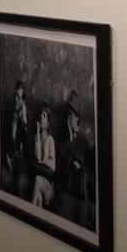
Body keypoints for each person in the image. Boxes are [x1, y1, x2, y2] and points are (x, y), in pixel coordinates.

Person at [57, 91, 91, 226]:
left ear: (77, 118)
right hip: (68, 193)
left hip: (82, 196)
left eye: (70, 115)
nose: (67, 119)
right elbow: (61, 166)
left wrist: (81, 167)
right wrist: (69, 141)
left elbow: (89, 168)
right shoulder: (64, 140)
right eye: (67, 115)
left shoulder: (83, 141)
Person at [2, 80, 31, 199]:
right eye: (15, 96)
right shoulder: (7, 115)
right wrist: (6, 156)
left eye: (19, 97)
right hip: (8, 163)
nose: (15, 99)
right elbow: (2, 141)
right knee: (0, 176)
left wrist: (24, 122)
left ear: (23, 102)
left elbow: (28, 149)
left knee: (19, 183)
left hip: (22, 167)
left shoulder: (27, 120)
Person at [32, 103, 56, 208]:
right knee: (38, 197)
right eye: (41, 115)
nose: (41, 117)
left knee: (37, 180)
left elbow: (53, 167)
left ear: (48, 123)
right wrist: (37, 133)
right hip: (39, 183)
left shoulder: (50, 140)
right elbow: (37, 157)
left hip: (49, 187)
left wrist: (43, 161)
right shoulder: (36, 138)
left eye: (44, 116)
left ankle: (30, 210)